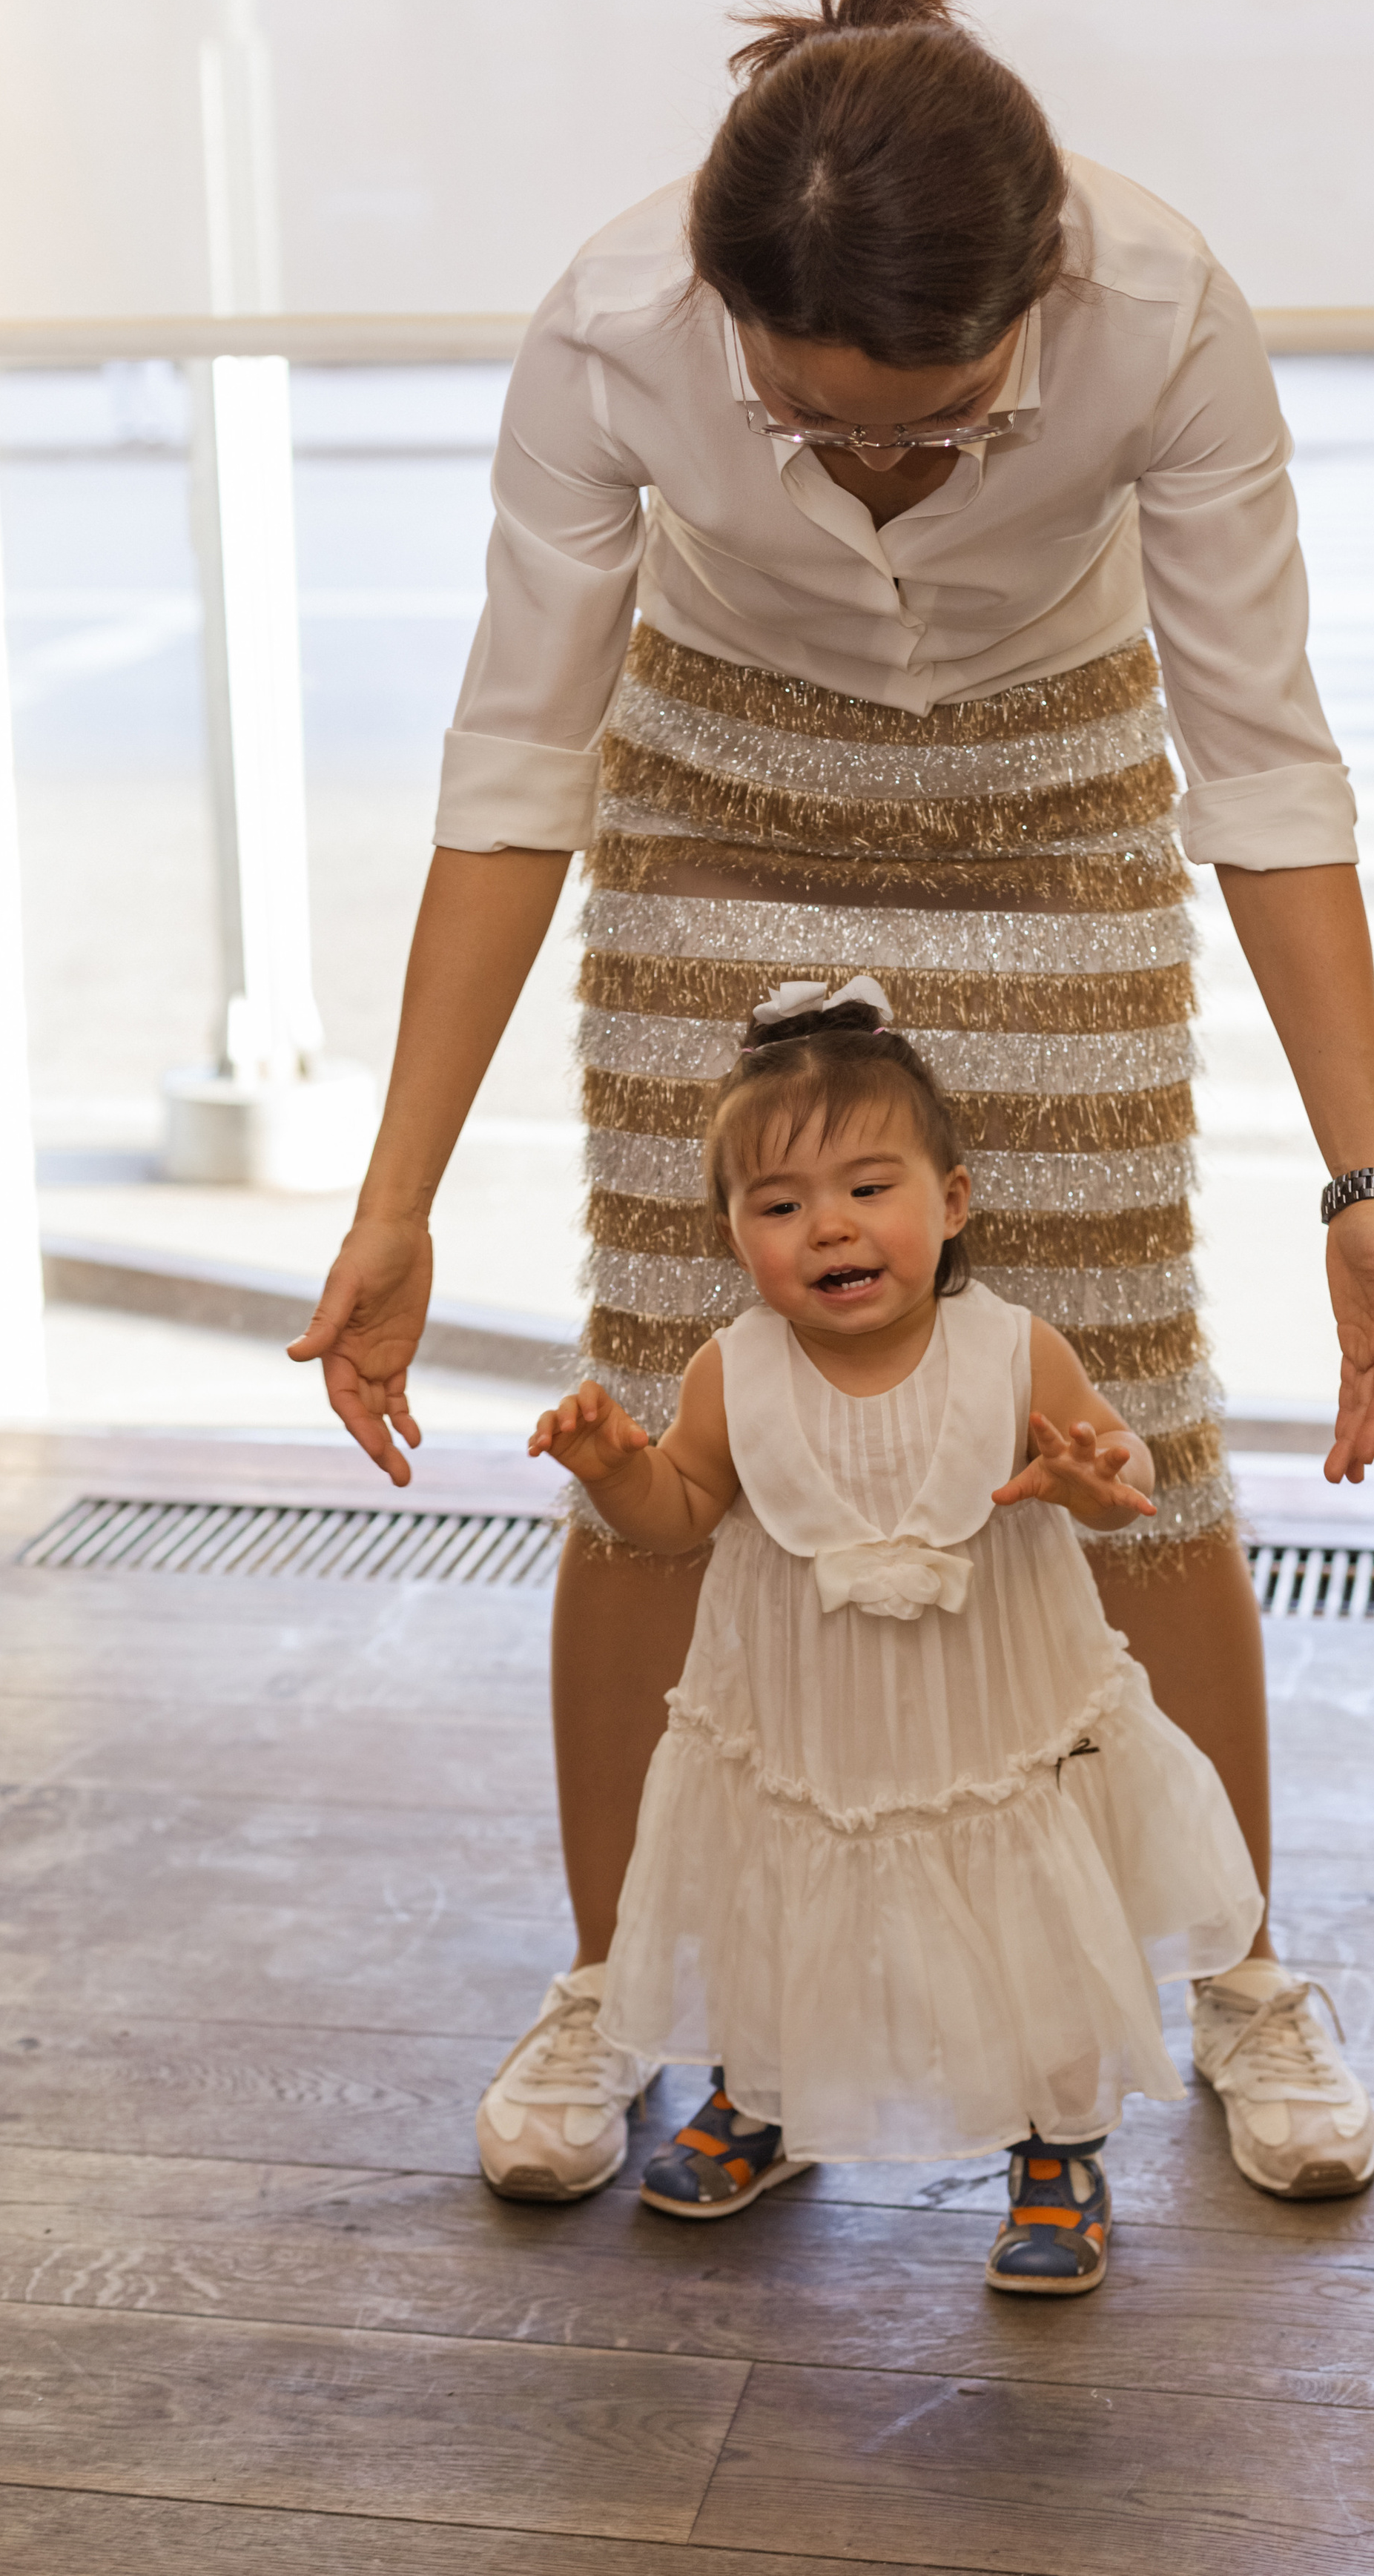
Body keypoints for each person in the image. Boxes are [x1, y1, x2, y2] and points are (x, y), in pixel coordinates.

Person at [288, 0, 1374, 2213]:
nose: (882, 464)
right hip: (723, 783)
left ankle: (1237, 1968)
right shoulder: (615, 327)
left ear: (1039, 298)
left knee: (1123, 1399)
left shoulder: (1169, 309)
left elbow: (1266, 758)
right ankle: (617, 1973)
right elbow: (519, 762)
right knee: (670, 1387)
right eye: (816, 424)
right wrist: (396, 1187)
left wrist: (1365, 1180)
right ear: (730, 322)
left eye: (932, 417)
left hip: (1052, 799)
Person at [530, 981, 1264, 2294]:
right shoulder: (730, 1371)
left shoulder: (1013, 1352)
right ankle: (764, 2098)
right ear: (733, 1235)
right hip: (803, 1722)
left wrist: (1098, 1474)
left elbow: (1113, 1478)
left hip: (993, 1717)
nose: (831, 1226)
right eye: (781, 1204)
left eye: (870, 1188)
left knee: (1022, 1915)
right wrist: (610, 1469)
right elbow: (679, 1513)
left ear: (955, 1201)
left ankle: (1056, 2145)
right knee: (773, 1892)